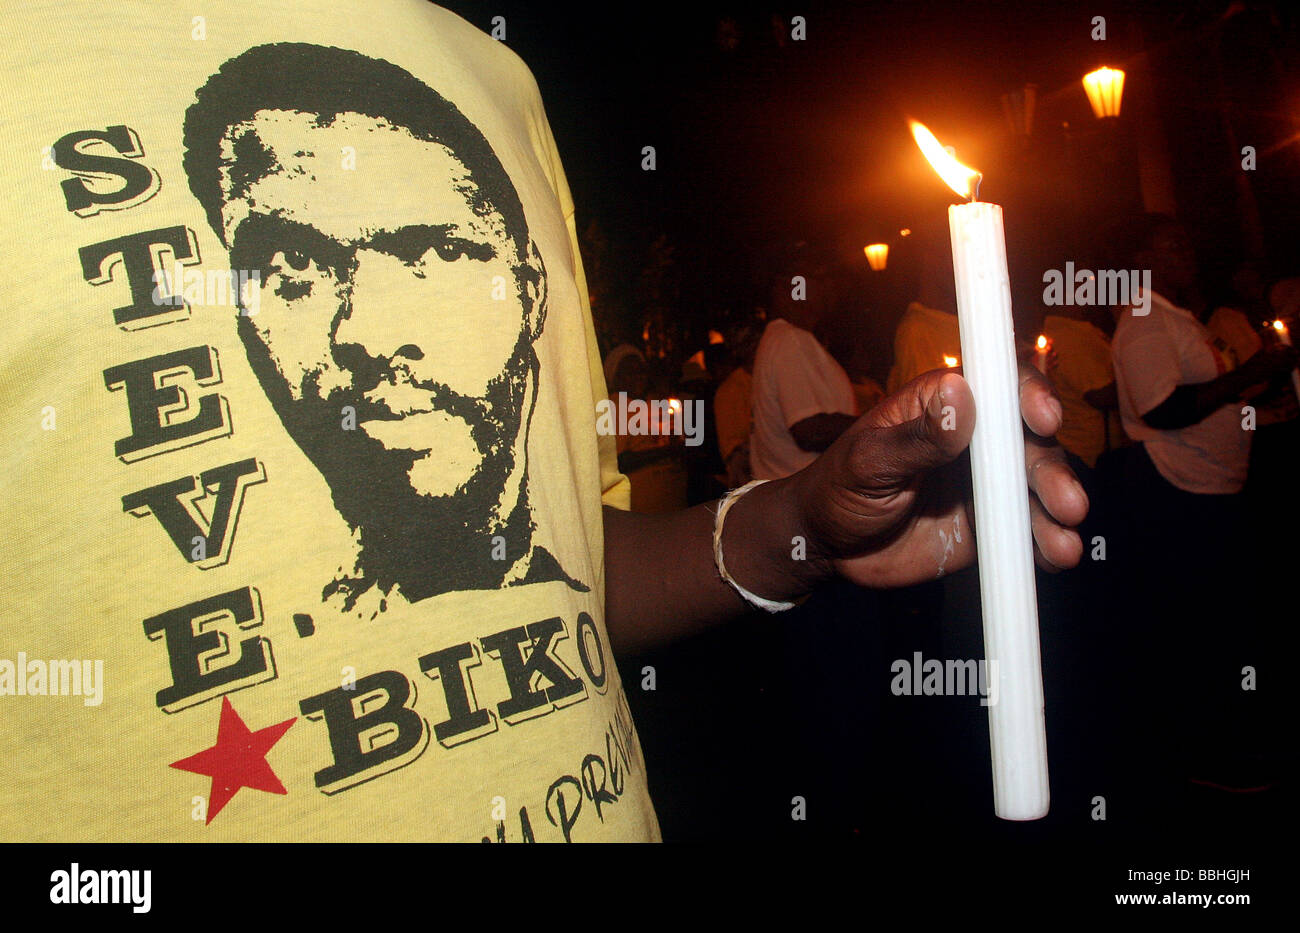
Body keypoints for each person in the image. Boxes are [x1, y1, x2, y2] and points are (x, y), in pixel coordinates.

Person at [0, 0, 1086, 842]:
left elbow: (572, 563)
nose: (372, 335)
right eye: (287, 265)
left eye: (432, 254)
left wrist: (805, 520)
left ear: (524, 288)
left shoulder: (490, 73)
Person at [748, 243, 859, 480]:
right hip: (802, 499)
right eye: (819, 278)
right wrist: (876, 421)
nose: (831, 287)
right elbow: (809, 430)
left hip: (794, 496)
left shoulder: (785, 339)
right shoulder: (790, 340)